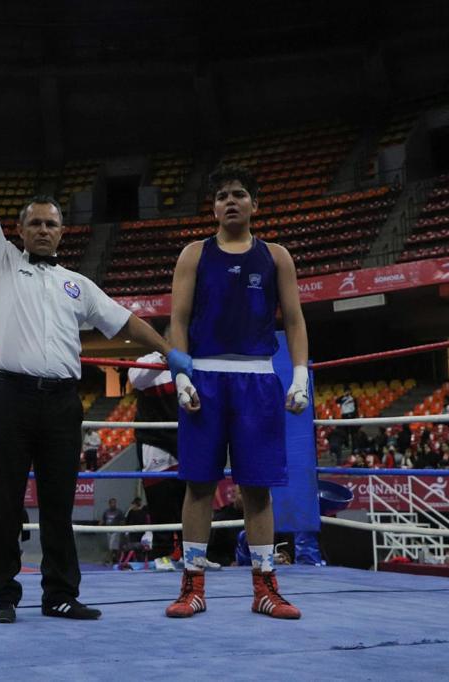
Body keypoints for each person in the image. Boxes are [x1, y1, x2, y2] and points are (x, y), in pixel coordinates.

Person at [0, 143, 187, 625]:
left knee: (60, 503)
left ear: (63, 232)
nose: (43, 230)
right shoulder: (1, 262)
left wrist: (171, 354)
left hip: (63, 403)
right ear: (20, 230)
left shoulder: (77, 284)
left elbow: (124, 321)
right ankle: (2, 593)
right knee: (2, 501)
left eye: (51, 223)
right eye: (35, 223)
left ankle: (60, 594)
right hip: (10, 396)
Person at [165, 164, 308, 621]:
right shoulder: (193, 254)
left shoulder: (277, 256)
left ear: (254, 204)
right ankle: (193, 585)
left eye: (239, 194)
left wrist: (300, 375)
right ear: (213, 206)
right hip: (204, 377)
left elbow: (296, 320)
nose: (231, 201)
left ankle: (265, 586)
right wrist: (182, 376)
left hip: (259, 378)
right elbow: (179, 321)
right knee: (200, 484)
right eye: (223, 195)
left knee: (258, 486)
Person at [127, 341, 187, 560]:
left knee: (188, 497)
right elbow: (135, 379)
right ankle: (162, 553)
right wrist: (167, 358)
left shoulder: (191, 362)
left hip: (183, 438)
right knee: (160, 497)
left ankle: (191, 553)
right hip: (155, 440)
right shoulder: (147, 361)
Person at [100, 497, 126, 565]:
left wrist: (122, 529)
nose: (113, 504)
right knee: (110, 547)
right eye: (112, 503)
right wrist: (99, 526)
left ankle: (109, 560)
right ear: (109, 504)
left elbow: (122, 521)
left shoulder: (119, 512)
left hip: (115, 531)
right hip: (108, 531)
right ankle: (114, 559)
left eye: (114, 503)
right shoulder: (106, 512)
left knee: (112, 546)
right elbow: (103, 520)